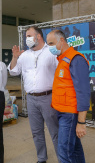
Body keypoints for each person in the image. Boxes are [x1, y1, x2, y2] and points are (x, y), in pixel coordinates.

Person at [8, 26, 59, 163]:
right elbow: (13, 71)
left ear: (39, 37)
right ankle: (41, 158)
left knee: (55, 132)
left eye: (29, 36)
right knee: (36, 132)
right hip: (31, 99)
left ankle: (63, 158)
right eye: (26, 36)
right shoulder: (24, 55)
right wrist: (14, 57)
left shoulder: (51, 52)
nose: (27, 39)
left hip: (48, 97)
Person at [47, 30, 90, 163]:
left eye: (51, 43)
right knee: (75, 148)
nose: (49, 47)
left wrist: (81, 122)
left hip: (69, 115)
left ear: (61, 41)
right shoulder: (62, 59)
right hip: (61, 112)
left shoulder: (76, 59)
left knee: (64, 152)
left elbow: (83, 92)